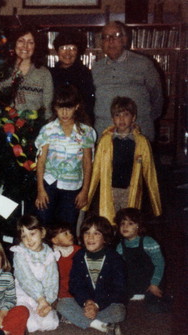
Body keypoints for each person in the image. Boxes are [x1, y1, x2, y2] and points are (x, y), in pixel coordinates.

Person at [84, 96, 161, 225]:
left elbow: (150, 174)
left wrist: (156, 207)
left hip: (130, 190)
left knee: (128, 224)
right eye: (117, 115)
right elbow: (96, 170)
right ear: (113, 118)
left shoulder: (141, 142)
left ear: (133, 118)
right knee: (109, 223)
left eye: (126, 115)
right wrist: (86, 200)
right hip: (110, 190)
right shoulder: (105, 141)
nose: (121, 119)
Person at [34, 85, 96, 230]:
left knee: (66, 228)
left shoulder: (86, 132)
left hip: (73, 187)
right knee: (43, 225)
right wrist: (40, 190)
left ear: (77, 107)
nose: (64, 112)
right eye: (60, 107)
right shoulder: (48, 130)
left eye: (69, 107)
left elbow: (87, 163)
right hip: (50, 184)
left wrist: (85, 191)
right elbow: (41, 161)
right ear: (55, 108)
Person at [56, 215, 127, 335]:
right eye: (87, 233)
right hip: (85, 303)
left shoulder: (114, 258)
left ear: (105, 238)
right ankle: (101, 326)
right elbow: (75, 284)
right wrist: (87, 302)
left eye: (96, 234)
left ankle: (77, 318)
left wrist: (97, 305)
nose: (90, 237)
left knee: (119, 312)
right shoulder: (79, 256)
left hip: (105, 303)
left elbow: (118, 288)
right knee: (62, 304)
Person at [92, 21, 163, 141]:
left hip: (138, 131)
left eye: (116, 36)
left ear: (124, 40)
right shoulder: (96, 68)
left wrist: (145, 119)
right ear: (101, 43)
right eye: (106, 37)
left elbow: (157, 97)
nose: (111, 41)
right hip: (104, 133)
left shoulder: (143, 64)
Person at [10, 215, 59, 332]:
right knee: (31, 325)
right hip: (23, 295)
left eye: (32, 234)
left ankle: (48, 312)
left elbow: (52, 280)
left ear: (42, 233)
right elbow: (26, 279)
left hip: (43, 299)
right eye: (24, 236)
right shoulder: (20, 253)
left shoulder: (50, 255)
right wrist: (40, 299)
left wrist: (47, 303)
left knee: (51, 324)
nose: (29, 240)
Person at [114, 208, 169, 313]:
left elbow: (160, 264)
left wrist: (154, 284)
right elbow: (119, 268)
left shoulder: (148, 242)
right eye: (122, 223)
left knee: (154, 307)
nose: (125, 226)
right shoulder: (120, 246)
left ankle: (165, 299)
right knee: (116, 297)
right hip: (133, 281)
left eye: (130, 223)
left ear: (138, 226)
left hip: (152, 280)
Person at [0, 26, 53, 121]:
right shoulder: (2, 70)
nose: (25, 46)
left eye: (30, 42)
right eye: (21, 41)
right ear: (14, 43)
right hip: (3, 128)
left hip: (34, 129)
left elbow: (48, 110)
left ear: (36, 46)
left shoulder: (44, 74)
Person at [50, 31, 95, 123]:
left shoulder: (85, 74)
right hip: (54, 124)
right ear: (57, 51)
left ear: (78, 51)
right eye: (63, 48)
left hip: (80, 124)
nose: (68, 53)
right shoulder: (50, 74)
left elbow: (89, 105)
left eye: (72, 48)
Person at [46, 222, 81, 300]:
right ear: (55, 240)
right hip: (62, 296)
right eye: (65, 234)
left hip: (79, 293)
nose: (70, 235)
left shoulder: (79, 251)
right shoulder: (51, 256)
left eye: (70, 232)